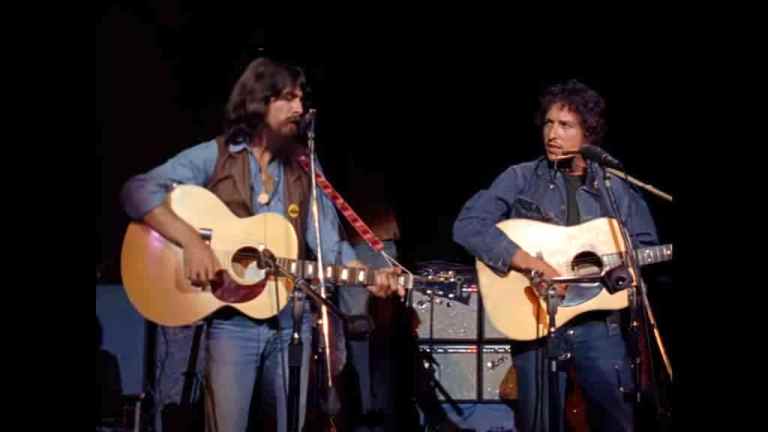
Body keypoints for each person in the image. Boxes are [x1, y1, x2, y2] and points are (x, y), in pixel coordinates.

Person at [121, 57, 402, 432]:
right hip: (230, 324)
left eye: (301, 98)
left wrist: (368, 276)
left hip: (291, 323)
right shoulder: (217, 155)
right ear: (259, 101)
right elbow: (137, 190)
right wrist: (192, 242)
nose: (300, 108)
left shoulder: (304, 166)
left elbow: (329, 244)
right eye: (288, 97)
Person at [452, 79, 659, 432]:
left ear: (588, 134)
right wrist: (529, 262)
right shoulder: (520, 177)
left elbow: (643, 244)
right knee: (539, 424)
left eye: (565, 125)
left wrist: (625, 270)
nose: (553, 133)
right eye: (549, 123)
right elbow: (468, 225)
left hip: (599, 327)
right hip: (536, 321)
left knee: (617, 422)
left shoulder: (614, 188)